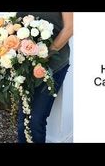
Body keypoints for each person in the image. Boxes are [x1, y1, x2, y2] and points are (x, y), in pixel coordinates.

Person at [16, 12, 73, 143]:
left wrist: (45, 53)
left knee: (36, 121)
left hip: (53, 64)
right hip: (25, 64)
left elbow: (70, 28)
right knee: (23, 119)